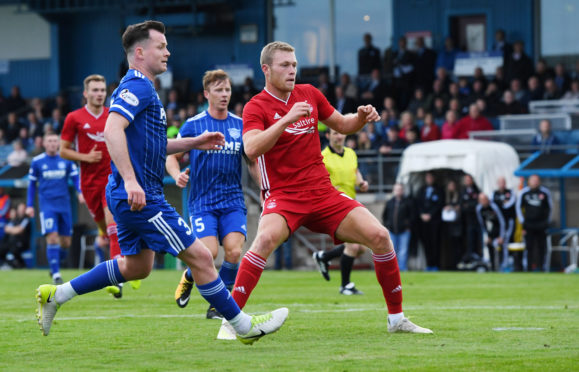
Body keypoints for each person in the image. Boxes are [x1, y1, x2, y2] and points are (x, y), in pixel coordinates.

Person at [35, 20, 288, 344]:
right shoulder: (137, 86)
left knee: (137, 267)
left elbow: (154, 145)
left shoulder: (145, 89)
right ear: (140, 52)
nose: (168, 51)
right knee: (201, 256)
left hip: (130, 195)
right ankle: (243, 326)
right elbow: (113, 129)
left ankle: (55, 294)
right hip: (141, 196)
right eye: (161, 46)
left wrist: (193, 143)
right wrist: (130, 181)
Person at [232, 41, 431, 335]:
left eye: (295, 65)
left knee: (380, 236)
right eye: (285, 65)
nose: (292, 70)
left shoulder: (309, 94)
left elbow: (343, 124)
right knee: (262, 242)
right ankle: (231, 320)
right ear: (266, 69)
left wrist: (361, 117)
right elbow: (250, 148)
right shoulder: (256, 106)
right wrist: (286, 119)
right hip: (284, 197)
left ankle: (396, 319)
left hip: (323, 194)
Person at [168, 69, 259, 319]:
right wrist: (177, 175)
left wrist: (264, 189)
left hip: (232, 201)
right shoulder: (193, 125)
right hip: (202, 202)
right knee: (208, 255)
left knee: (233, 251)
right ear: (206, 93)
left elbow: (251, 161)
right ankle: (189, 275)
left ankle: (218, 305)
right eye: (218, 90)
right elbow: (172, 157)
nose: (224, 94)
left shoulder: (240, 125)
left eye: (227, 90)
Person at [59, 74, 134, 298]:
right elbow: (63, 150)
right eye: (95, 90)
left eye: (102, 90)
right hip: (89, 183)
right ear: (86, 93)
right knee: (104, 229)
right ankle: (118, 258)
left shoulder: (114, 115)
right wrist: (85, 157)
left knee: (113, 228)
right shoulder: (74, 118)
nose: (100, 93)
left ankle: (117, 278)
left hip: (112, 179)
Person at [312, 128, 370, 295]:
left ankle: (324, 257)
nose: (339, 136)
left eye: (341, 133)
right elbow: (316, 179)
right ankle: (345, 285)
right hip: (333, 205)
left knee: (361, 247)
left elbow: (355, 171)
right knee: (352, 245)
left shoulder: (351, 153)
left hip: (351, 203)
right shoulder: (323, 156)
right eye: (335, 133)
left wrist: (362, 183)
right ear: (328, 136)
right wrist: (328, 188)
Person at [27, 133, 82, 284]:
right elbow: (32, 185)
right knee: (52, 237)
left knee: (65, 243)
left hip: (64, 205)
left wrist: (80, 192)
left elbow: (76, 179)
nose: (52, 143)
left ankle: (55, 262)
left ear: (58, 143)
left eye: (54, 141)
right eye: (49, 141)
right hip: (47, 206)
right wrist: (29, 205)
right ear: (44, 143)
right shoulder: (37, 162)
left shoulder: (66, 160)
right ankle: (56, 273)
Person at [516, 175, 552, 272]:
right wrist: (523, 222)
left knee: (541, 247)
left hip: (541, 224)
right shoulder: (524, 193)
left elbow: (550, 208)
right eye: (533, 180)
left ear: (539, 181)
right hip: (529, 225)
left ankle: (541, 267)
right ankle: (528, 268)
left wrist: (546, 222)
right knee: (529, 247)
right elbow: (518, 208)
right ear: (529, 182)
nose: (535, 182)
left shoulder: (545, 192)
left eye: (536, 180)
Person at [382, 183, 413, 271]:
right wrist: (387, 226)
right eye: (396, 189)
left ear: (402, 191)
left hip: (404, 231)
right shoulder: (389, 202)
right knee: (392, 251)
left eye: (400, 189)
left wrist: (407, 226)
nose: (398, 191)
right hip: (392, 231)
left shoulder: (407, 202)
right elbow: (385, 216)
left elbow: (412, 216)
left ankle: (402, 268)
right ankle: (393, 269)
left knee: (403, 251)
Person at [416, 172, 444, 271]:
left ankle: (436, 264)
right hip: (423, 222)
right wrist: (422, 214)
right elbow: (418, 203)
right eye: (427, 177)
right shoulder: (421, 190)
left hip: (435, 221)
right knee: (426, 243)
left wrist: (430, 214)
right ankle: (429, 264)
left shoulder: (439, 190)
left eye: (431, 177)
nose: (429, 179)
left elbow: (439, 204)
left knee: (435, 243)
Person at [491, 177, 518, 271]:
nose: (502, 184)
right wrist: (502, 203)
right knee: (497, 242)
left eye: (503, 182)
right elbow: (493, 205)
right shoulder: (494, 193)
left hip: (508, 222)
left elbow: (509, 204)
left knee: (506, 241)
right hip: (498, 222)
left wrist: (501, 204)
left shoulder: (510, 192)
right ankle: (497, 264)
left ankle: (507, 263)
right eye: (500, 182)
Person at [475, 193, 505, 271]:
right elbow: (482, 224)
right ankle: (492, 268)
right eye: (481, 200)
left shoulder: (494, 207)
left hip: (499, 229)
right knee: (489, 246)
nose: (483, 202)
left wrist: (501, 236)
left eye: (484, 199)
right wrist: (487, 236)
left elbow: (502, 222)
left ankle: (501, 267)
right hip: (490, 231)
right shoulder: (479, 209)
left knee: (499, 248)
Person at [0, 203, 30, 268]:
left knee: (14, 250)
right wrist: (14, 230)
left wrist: (12, 230)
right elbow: (6, 229)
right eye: (20, 209)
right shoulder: (15, 220)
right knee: (2, 249)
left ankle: (21, 266)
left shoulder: (26, 219)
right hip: (11, 243)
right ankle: (8, 264)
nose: (21, 210)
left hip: (22, 243)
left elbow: (19, 230)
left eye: (23, 209)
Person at [442, 180, 462, 269]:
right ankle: (448, 264)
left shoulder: (458, 196)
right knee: (448, 245)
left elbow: (460, 206)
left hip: (456, 224)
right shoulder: (445, 196)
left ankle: (457, 264)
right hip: (447, 225)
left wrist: (452, 207)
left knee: (457, 245)